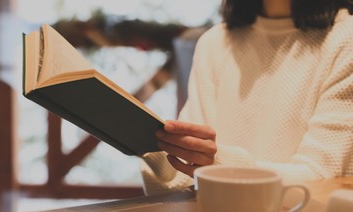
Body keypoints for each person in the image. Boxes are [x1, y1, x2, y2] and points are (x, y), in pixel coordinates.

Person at [140, 0, 353, 195]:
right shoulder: (215, 42)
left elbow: (320, 178)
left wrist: (220, 165)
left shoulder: (345, 38)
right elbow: (186, 177)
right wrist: (153, 152)